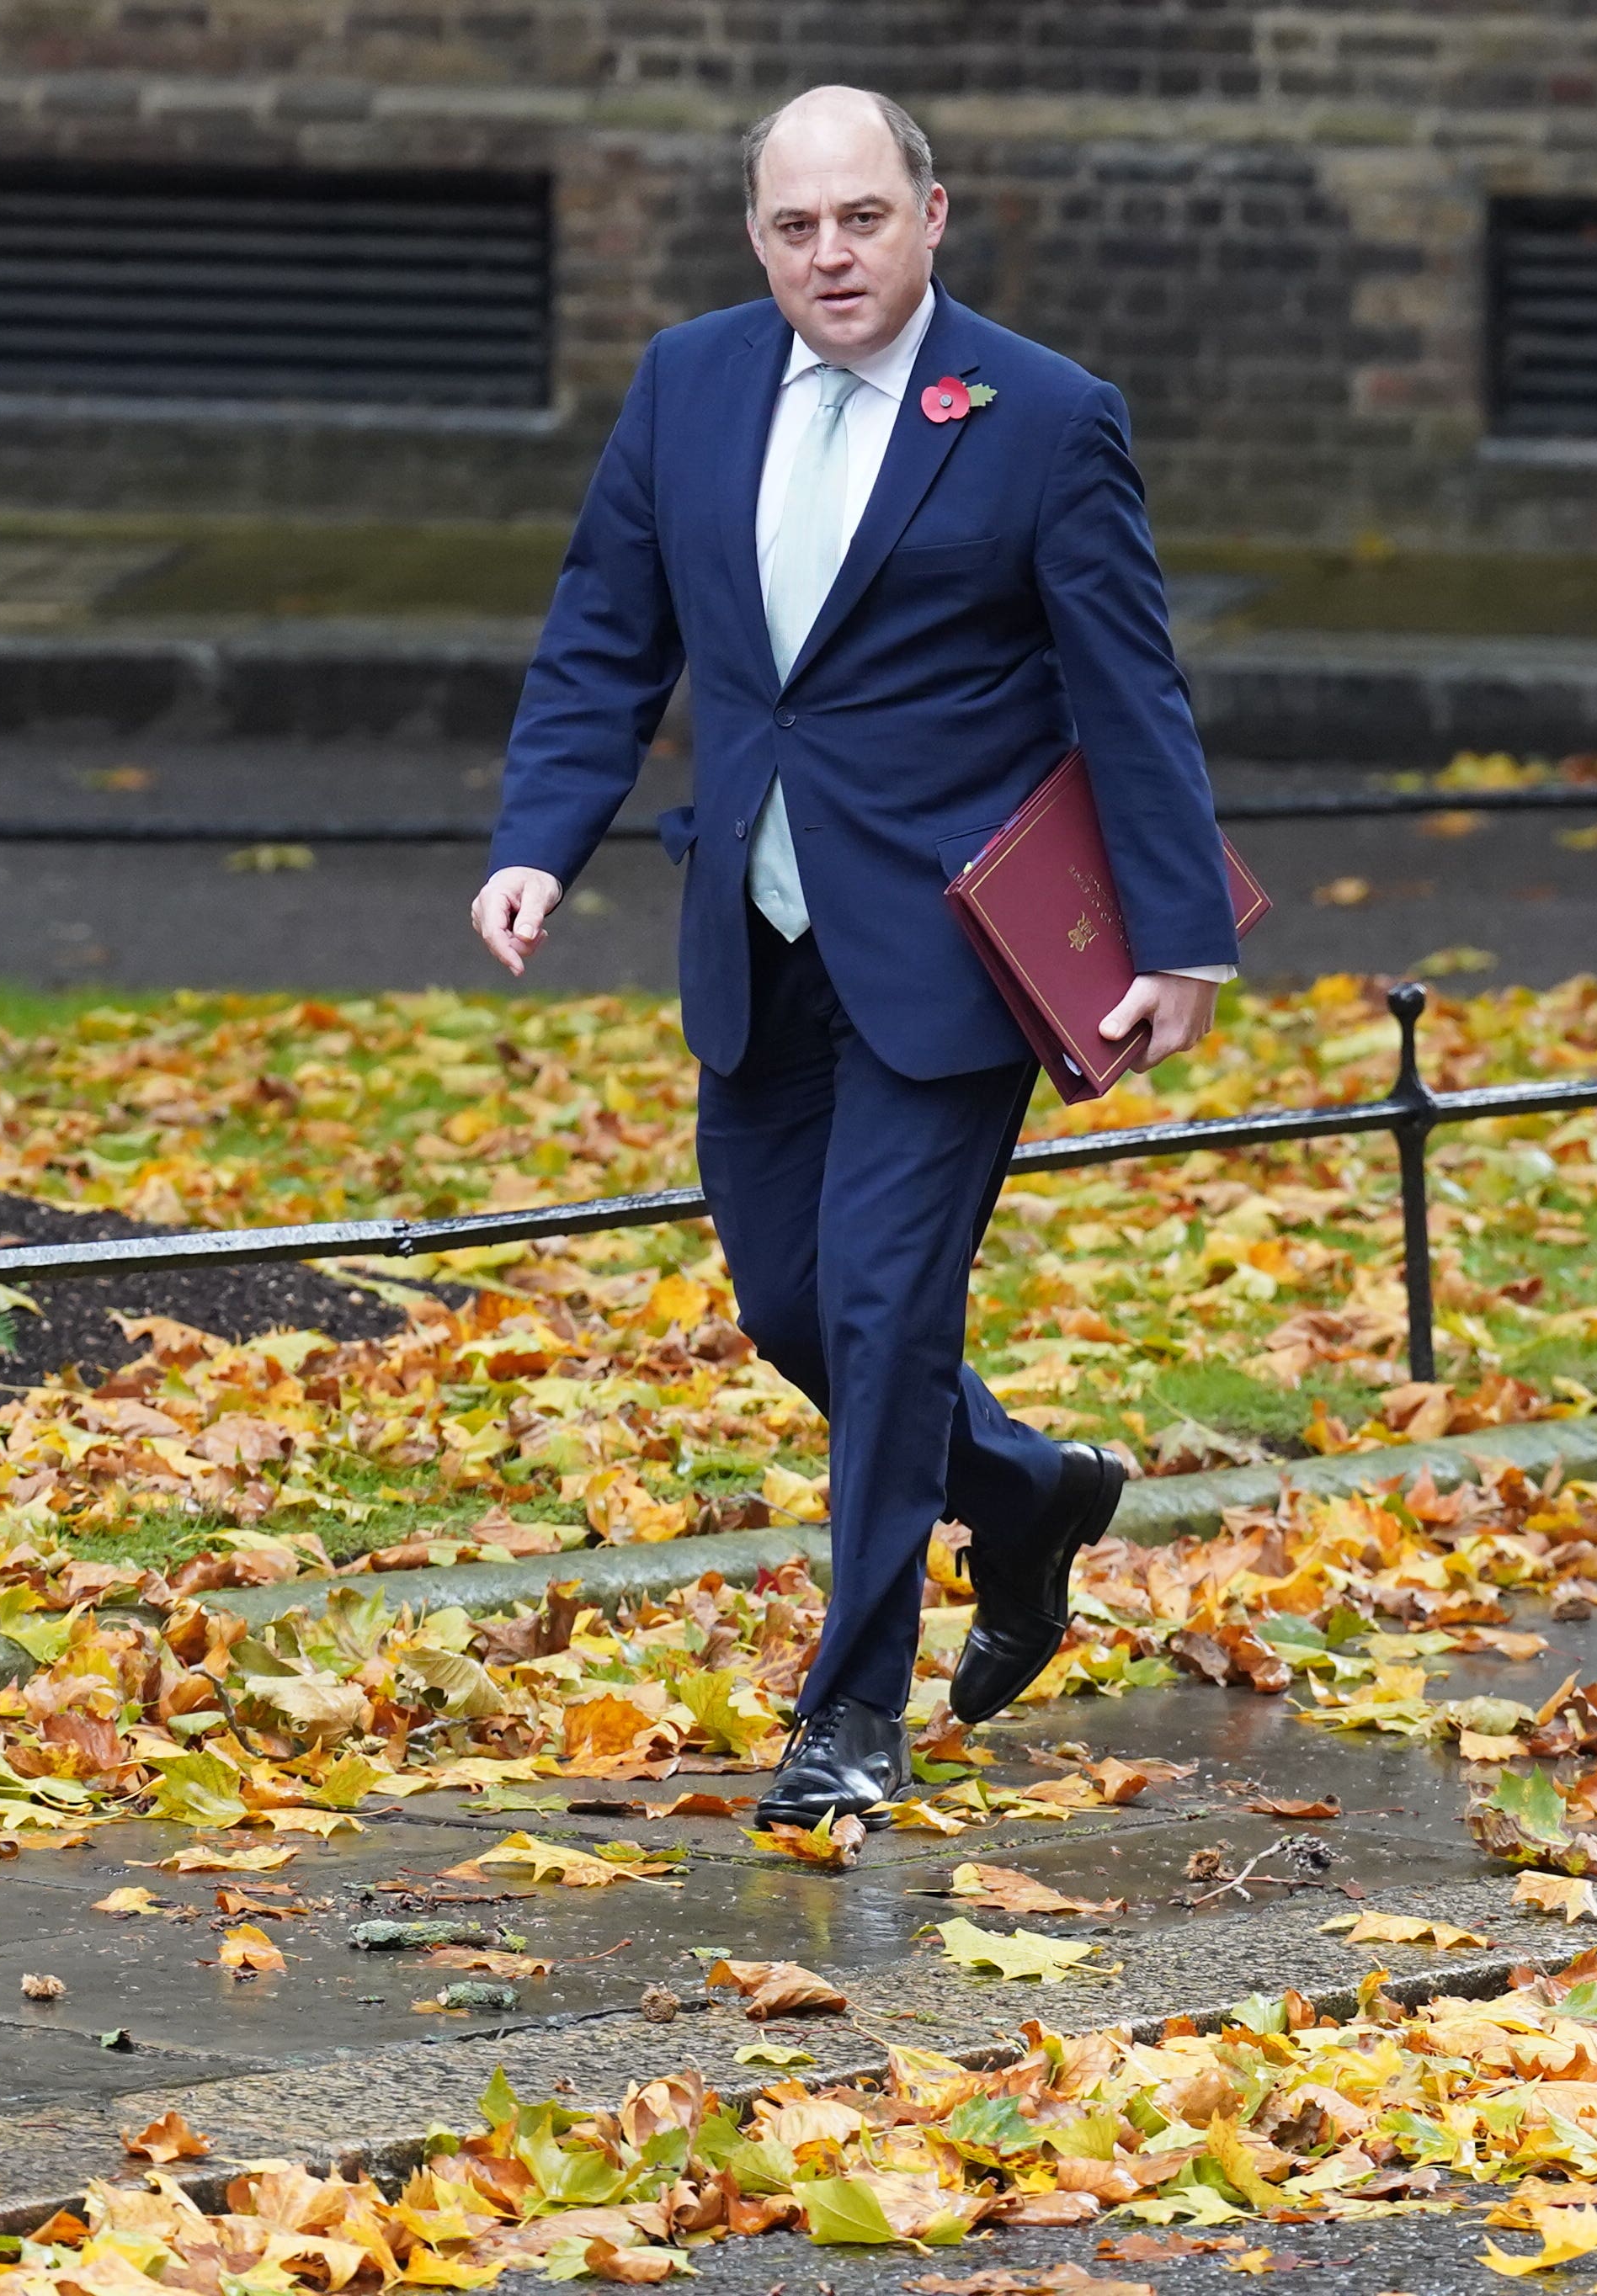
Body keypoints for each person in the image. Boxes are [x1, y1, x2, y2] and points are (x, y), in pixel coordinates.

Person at [472, 85, 1243, 1826]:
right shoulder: (689, 382)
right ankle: (1028, 1492)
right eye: (795, 226)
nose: (831, 254)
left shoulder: (1043, 416)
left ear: (932, 215)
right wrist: (539, 837)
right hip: (752, 926)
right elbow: (608, 622)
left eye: (863, 218)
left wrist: (1180, 930)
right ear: (759, 238)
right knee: (793, 1303)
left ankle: (852, 1712)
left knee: (891, 1308)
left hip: (945, 949)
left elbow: (1130, 685)